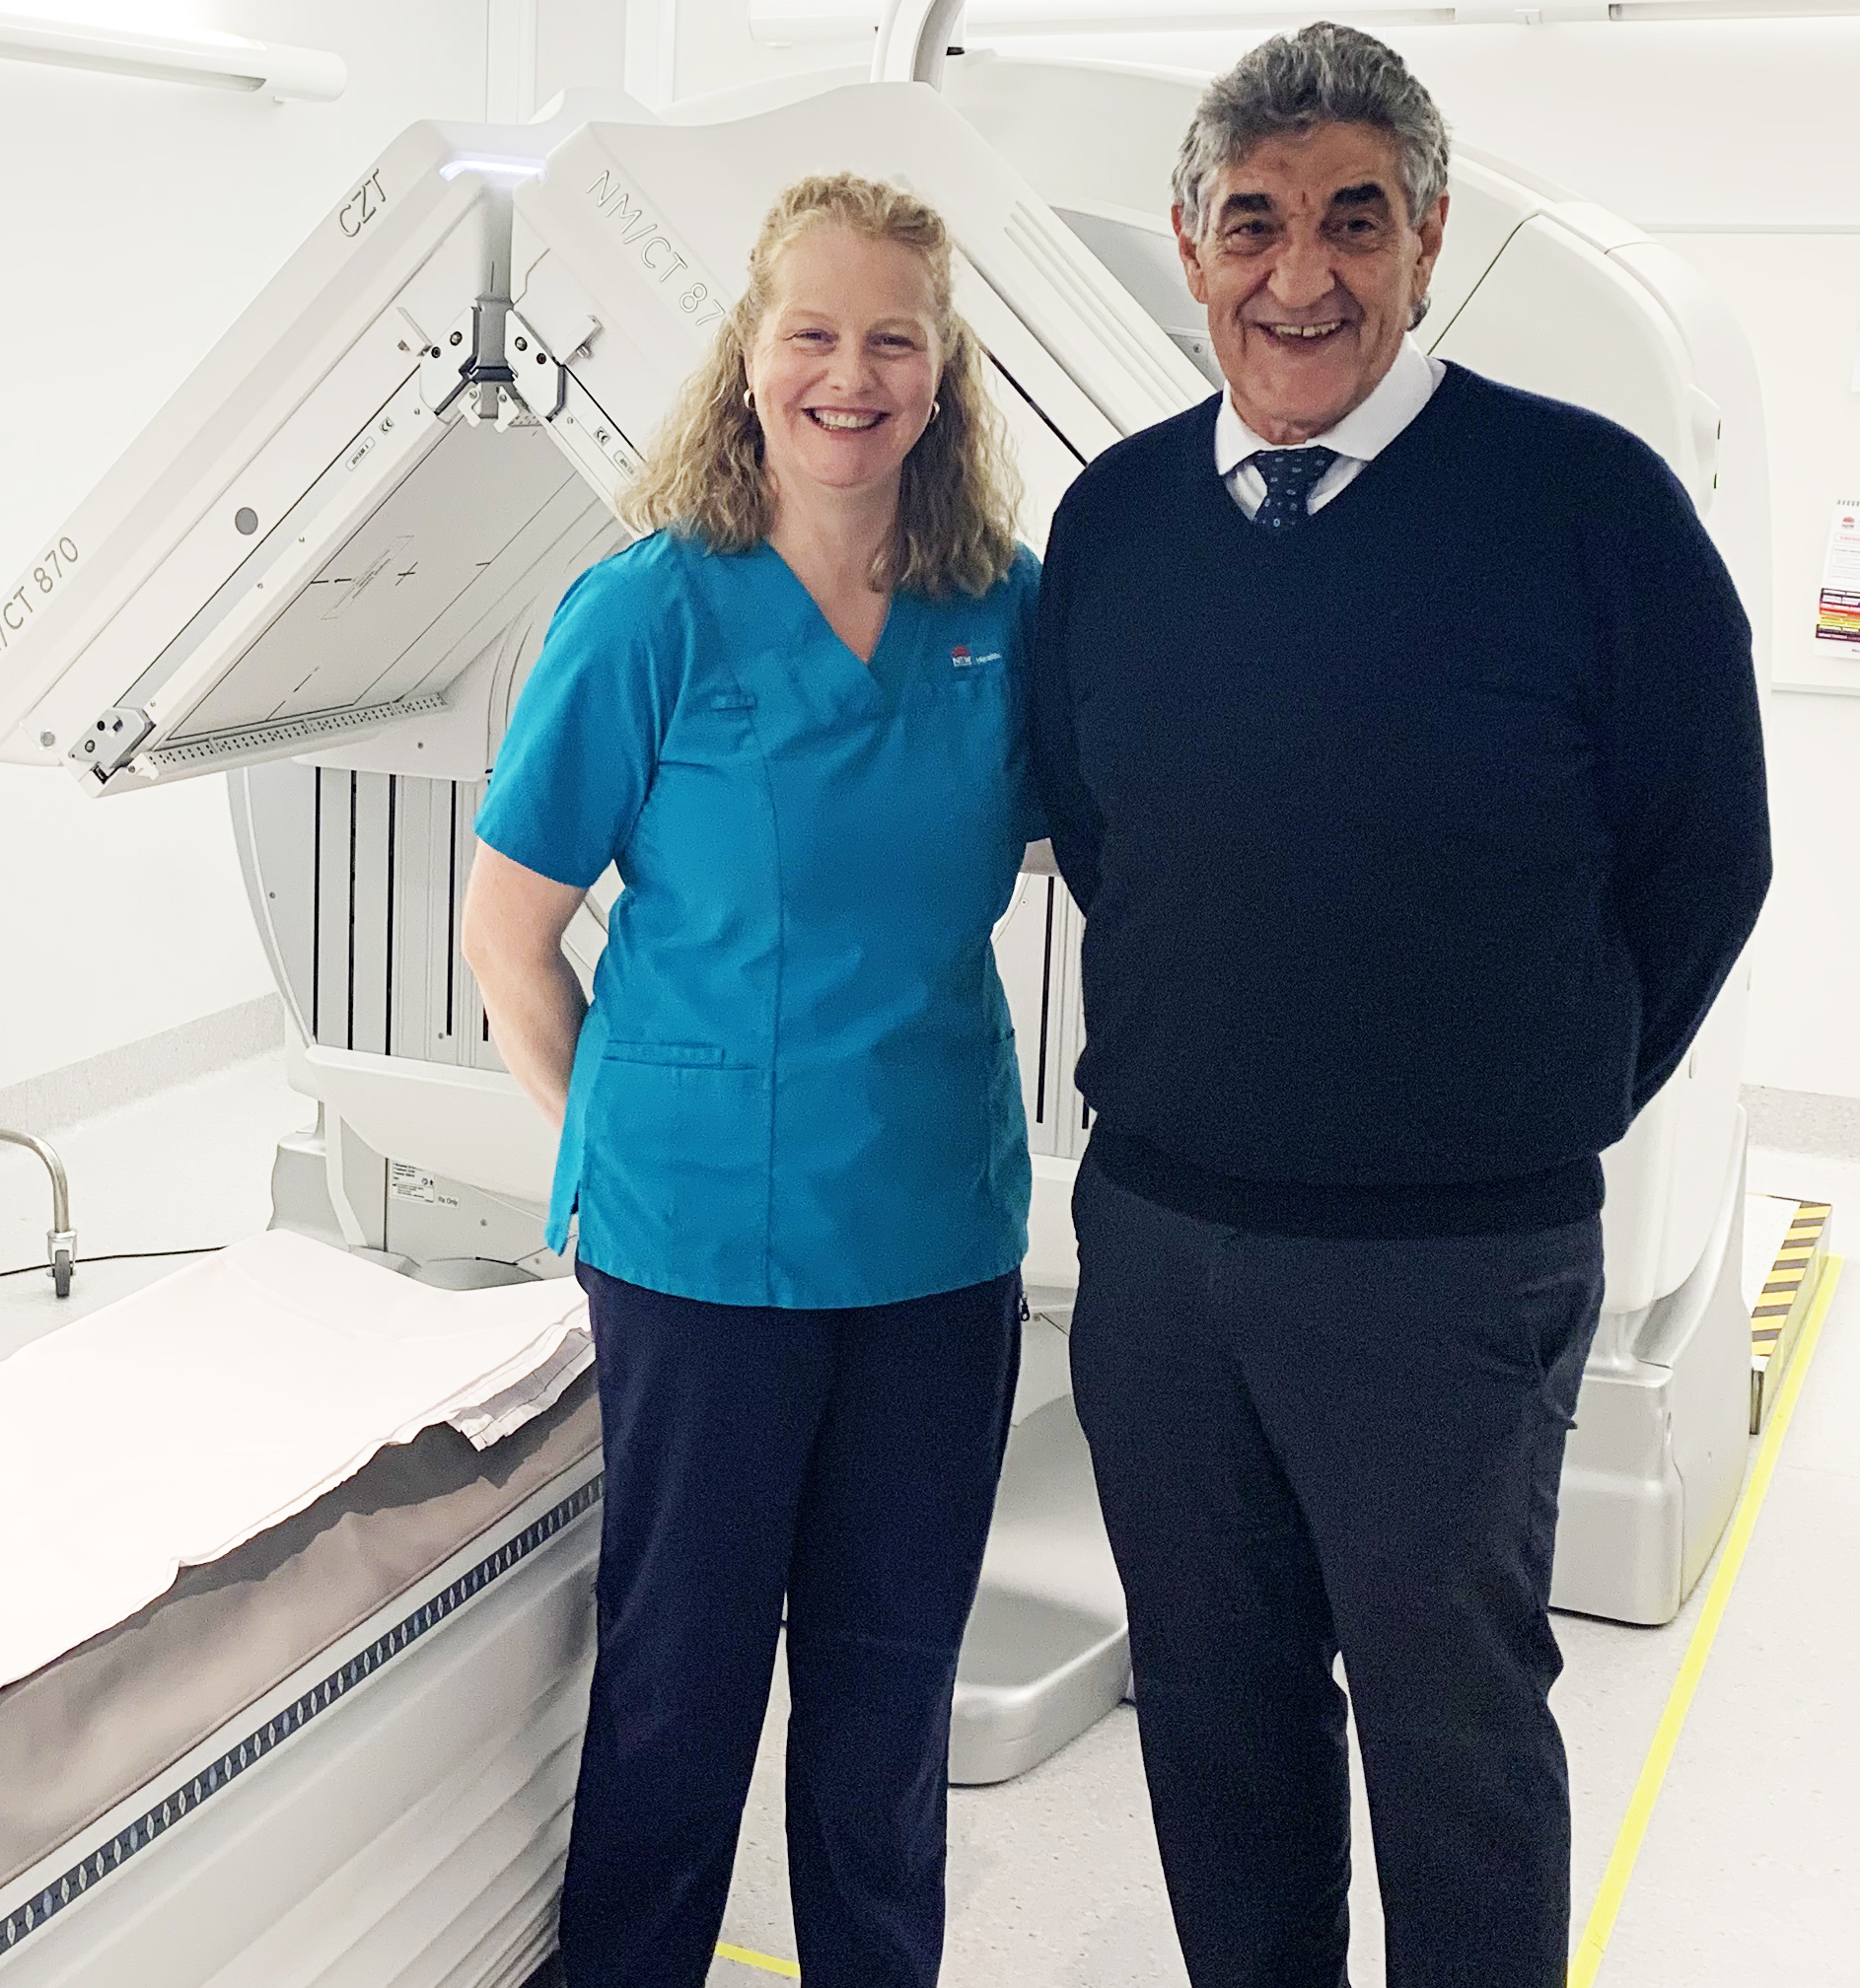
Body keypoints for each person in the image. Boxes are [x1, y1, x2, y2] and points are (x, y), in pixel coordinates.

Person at [1022, 25, 1771, 1988]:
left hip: (1452, 1265)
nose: (1302, 274)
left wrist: (1546, 1096)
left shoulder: (1583, 507)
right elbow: (1112, 829)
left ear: (1428, 237)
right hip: (1169, 1248)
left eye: (1355, 219)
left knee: (1455, 1741)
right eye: (1253, 222)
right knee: (1213, 1710)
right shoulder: (1112, 528)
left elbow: (1709, 854)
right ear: (1189, 247)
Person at [456, 173, 1043, 1988]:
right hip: (698, 1257)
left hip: (935, 1245)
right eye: (814, 333)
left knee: (885, 1712)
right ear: (751, 353)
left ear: (941, 378)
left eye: (894, 340)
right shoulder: (648, 614)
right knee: (678, 1696)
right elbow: (510, 938)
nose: (850, 376)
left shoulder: (1006, 617)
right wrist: (620, 1145)